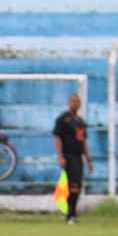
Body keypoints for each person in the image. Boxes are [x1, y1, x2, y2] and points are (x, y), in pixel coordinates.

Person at [52, 92, 93, 224]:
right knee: (73, 185)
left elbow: (83, 141)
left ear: (80, 104)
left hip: (78, 157)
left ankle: (72, 214)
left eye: (77, 101)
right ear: (69, 103)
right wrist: (60, 156)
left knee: (77, 186)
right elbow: (57, 138)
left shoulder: (80, 122)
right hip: (68, 156)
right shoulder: (63, 120)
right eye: (73, 101)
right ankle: (70, 215)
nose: (75, 104)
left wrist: (88, 159)